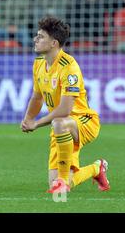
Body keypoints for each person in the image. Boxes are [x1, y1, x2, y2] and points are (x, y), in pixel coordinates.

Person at [21, 16, 109, 194]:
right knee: (58, 189)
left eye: (41, 37)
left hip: (83, 121)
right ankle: (96, 169)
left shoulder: (69, 67)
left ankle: (62, 181)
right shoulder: (39, 63)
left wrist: (37, 124)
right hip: (61, 128)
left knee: (59, 122)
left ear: (54, 43)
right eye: (36, 35)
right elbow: (37, 97)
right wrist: (28, 118)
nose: (35, 39)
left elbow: (66, 109)